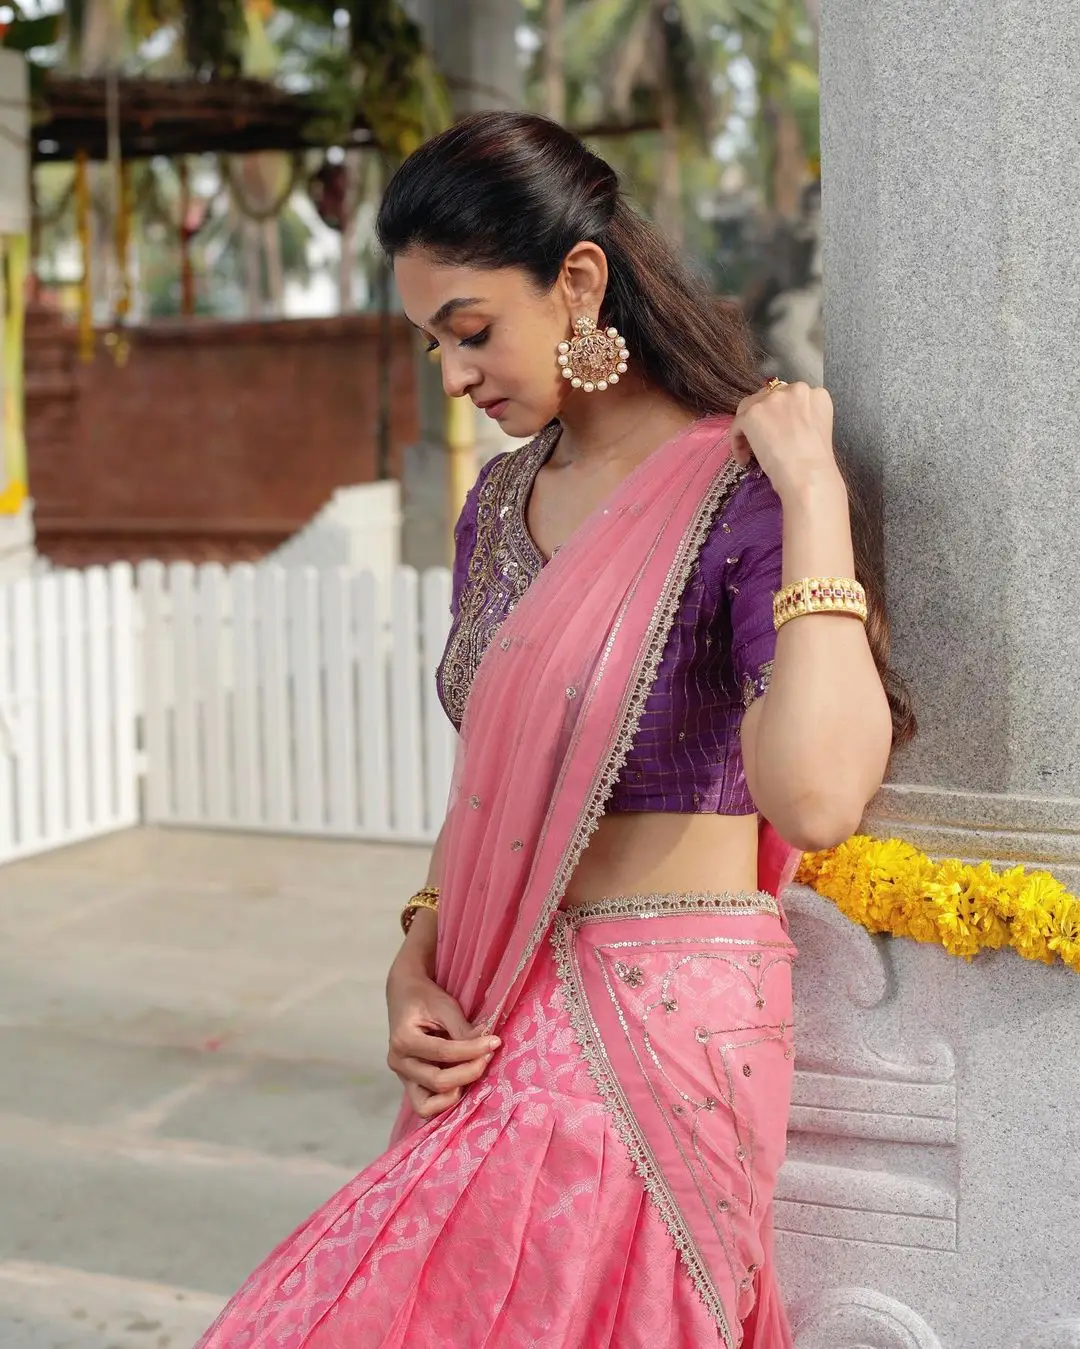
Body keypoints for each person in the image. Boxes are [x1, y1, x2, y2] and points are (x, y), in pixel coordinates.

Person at [196, 112, 913, 1349]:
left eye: (471, 331)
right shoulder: (503, 502)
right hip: (492, 1000)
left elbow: (815, 798)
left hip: (663, 1017)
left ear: (579, 281)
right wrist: (415, 950)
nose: (456, 375)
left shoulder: (742, 486)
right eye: (432, 343)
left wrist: (811, 492)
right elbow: (493, 782)